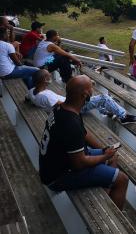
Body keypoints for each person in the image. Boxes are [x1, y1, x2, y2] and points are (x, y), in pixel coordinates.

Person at [38, 75, 129, 210]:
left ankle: (105, 195)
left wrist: (105, 150)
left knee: (113, 156)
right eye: (91, 88)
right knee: (122, 180)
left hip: (59, 163)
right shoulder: (70, 122)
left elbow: (84, 133)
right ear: (85, 95)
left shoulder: (63, 108)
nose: (93, 91)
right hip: (58, 176)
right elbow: (79, 164)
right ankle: (113, 217)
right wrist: (104, 156)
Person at [28, 70, 136, 124]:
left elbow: (28, 98)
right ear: (44, 80)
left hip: (70, 103)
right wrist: (79, 98)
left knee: (97, 100)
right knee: (104, 98)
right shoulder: (46, 97)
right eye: (48, 76)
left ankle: (107, 111)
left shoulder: (32, 91)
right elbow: (62, 107)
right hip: (74, 107)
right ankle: (123, 116)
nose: (50, 77)